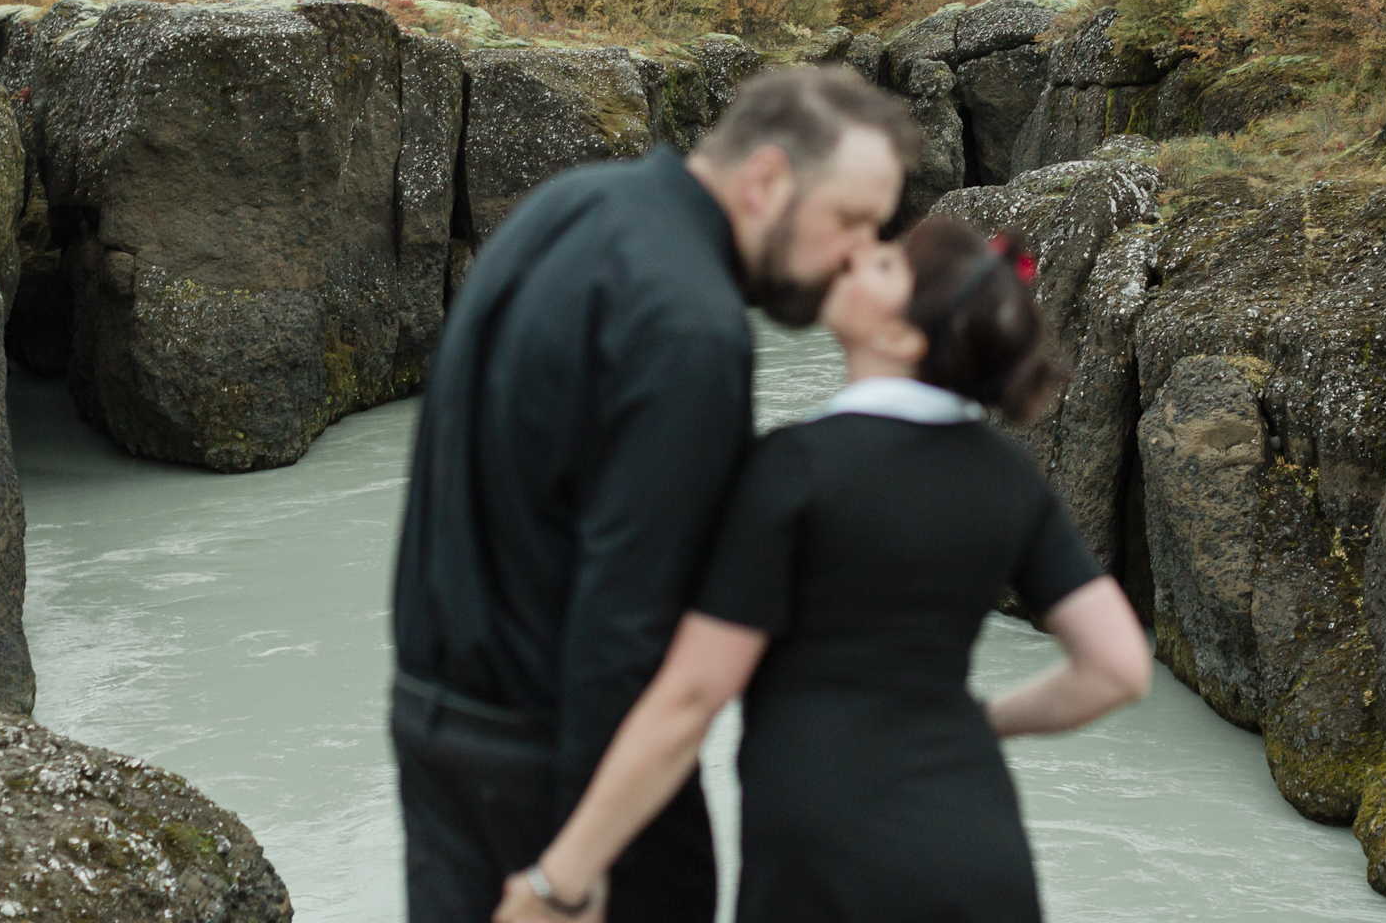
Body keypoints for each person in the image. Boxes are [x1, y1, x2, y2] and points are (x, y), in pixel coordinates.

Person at [496, 215, 1155, 923]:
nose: (860, 252)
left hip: (827, 857)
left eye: (885, 265)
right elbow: (1117, 670)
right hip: (982, 849)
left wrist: (558, 880)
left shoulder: (794, 468)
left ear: (902, 336)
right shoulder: (1011, 478)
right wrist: (974, 722)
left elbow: (691, 699)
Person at [390, 66, 920, 923]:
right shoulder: (691, 328)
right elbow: (626, 629)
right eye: (851, 221)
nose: (859, 256)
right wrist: (574, 870)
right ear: (768, 180)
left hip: (434, 727)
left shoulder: (566, 207)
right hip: (565, 773)